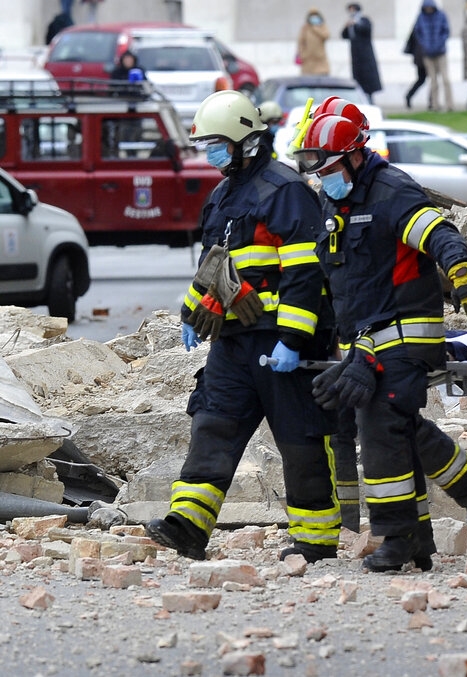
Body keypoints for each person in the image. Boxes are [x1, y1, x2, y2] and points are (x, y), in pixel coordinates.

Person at [294, 110, 467, 572]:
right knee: (397, 425)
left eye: (329, 170)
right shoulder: (334, 202)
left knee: (382, 425)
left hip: (407, 334)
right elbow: (335, 279)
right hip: (363, 342)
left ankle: (396, 536)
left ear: (355, 157)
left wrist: (462, 273)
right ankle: (449, 509)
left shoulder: (391, 192)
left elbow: (438, 232)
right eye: (318, 173)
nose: (324, 180)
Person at [144, 91, 342, 564]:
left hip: (282, 342)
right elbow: (215, 266)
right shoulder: (222, 195)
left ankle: (316, 540)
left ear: (243, 141)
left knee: (300, 440)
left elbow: (305, 273)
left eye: (217, 142)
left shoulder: (286, 191)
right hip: (233, 341)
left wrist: (293, 341)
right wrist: (193, 314)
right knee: (212, 424)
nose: (210, 152)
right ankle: (187, 525)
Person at [413, 0, 454, 112]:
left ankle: (449, 105)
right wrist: (425, 46)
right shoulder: (421, 17)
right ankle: (435, 105)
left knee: (445, 79)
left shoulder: (441, 15)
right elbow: (418, 33)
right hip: (428, 54)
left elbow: (446, 32)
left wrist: (439, 44)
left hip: (441, 53)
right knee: (433, 81)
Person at [341, 4, 382, 105]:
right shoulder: (350, 23)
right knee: (357, 79)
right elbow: (344, 35)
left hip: (366, 56)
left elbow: (366, 29)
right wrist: (347, 26)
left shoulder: (364, 20)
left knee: (368, 79)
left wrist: (356, 23)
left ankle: (370, 99)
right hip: (356, 56)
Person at [403, 28, 431, 110]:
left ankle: (409, 95)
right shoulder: (421, 26)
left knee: (422, 80)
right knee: (424, 80)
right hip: (423, 57)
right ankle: (431, 101)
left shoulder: (419, 25)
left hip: (420, 57)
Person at [296, 8, 330, 76]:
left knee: (322, 76)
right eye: (312, 16)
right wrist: (302, 54)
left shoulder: (322, 26)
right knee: (308, 78)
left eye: (315, 15)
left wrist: (315, 28)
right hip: (308, 58)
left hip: (320, 57)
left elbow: (326, 36)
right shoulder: (305, 28)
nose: (314, 18)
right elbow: (301, 42)